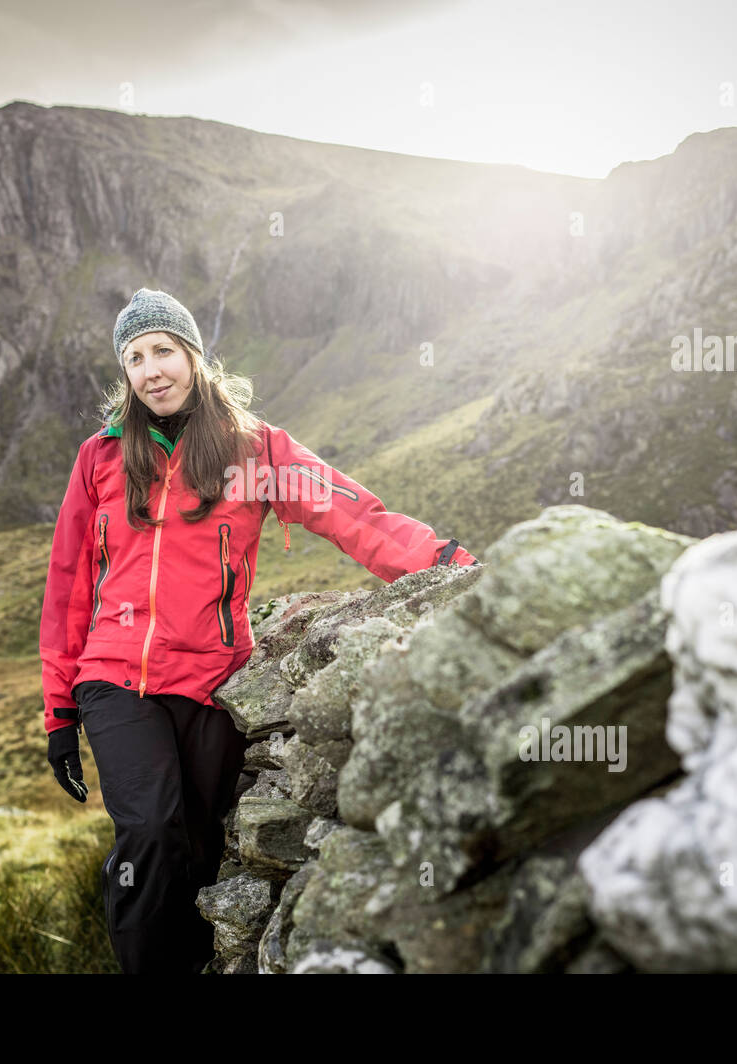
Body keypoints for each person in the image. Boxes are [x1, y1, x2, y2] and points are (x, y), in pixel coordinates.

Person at [41, 287, 479, 974]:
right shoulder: (99, 457)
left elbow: (348, 514)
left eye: (163, 351)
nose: (152, 369)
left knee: (198, 847)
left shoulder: (254, 448)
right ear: (124, 374)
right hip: (114, 677)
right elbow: (68, 582)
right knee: (150, 832)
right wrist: (59, 709)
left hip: (212, 679)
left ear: (192, 355)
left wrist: (444, 562)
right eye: (134, 358)